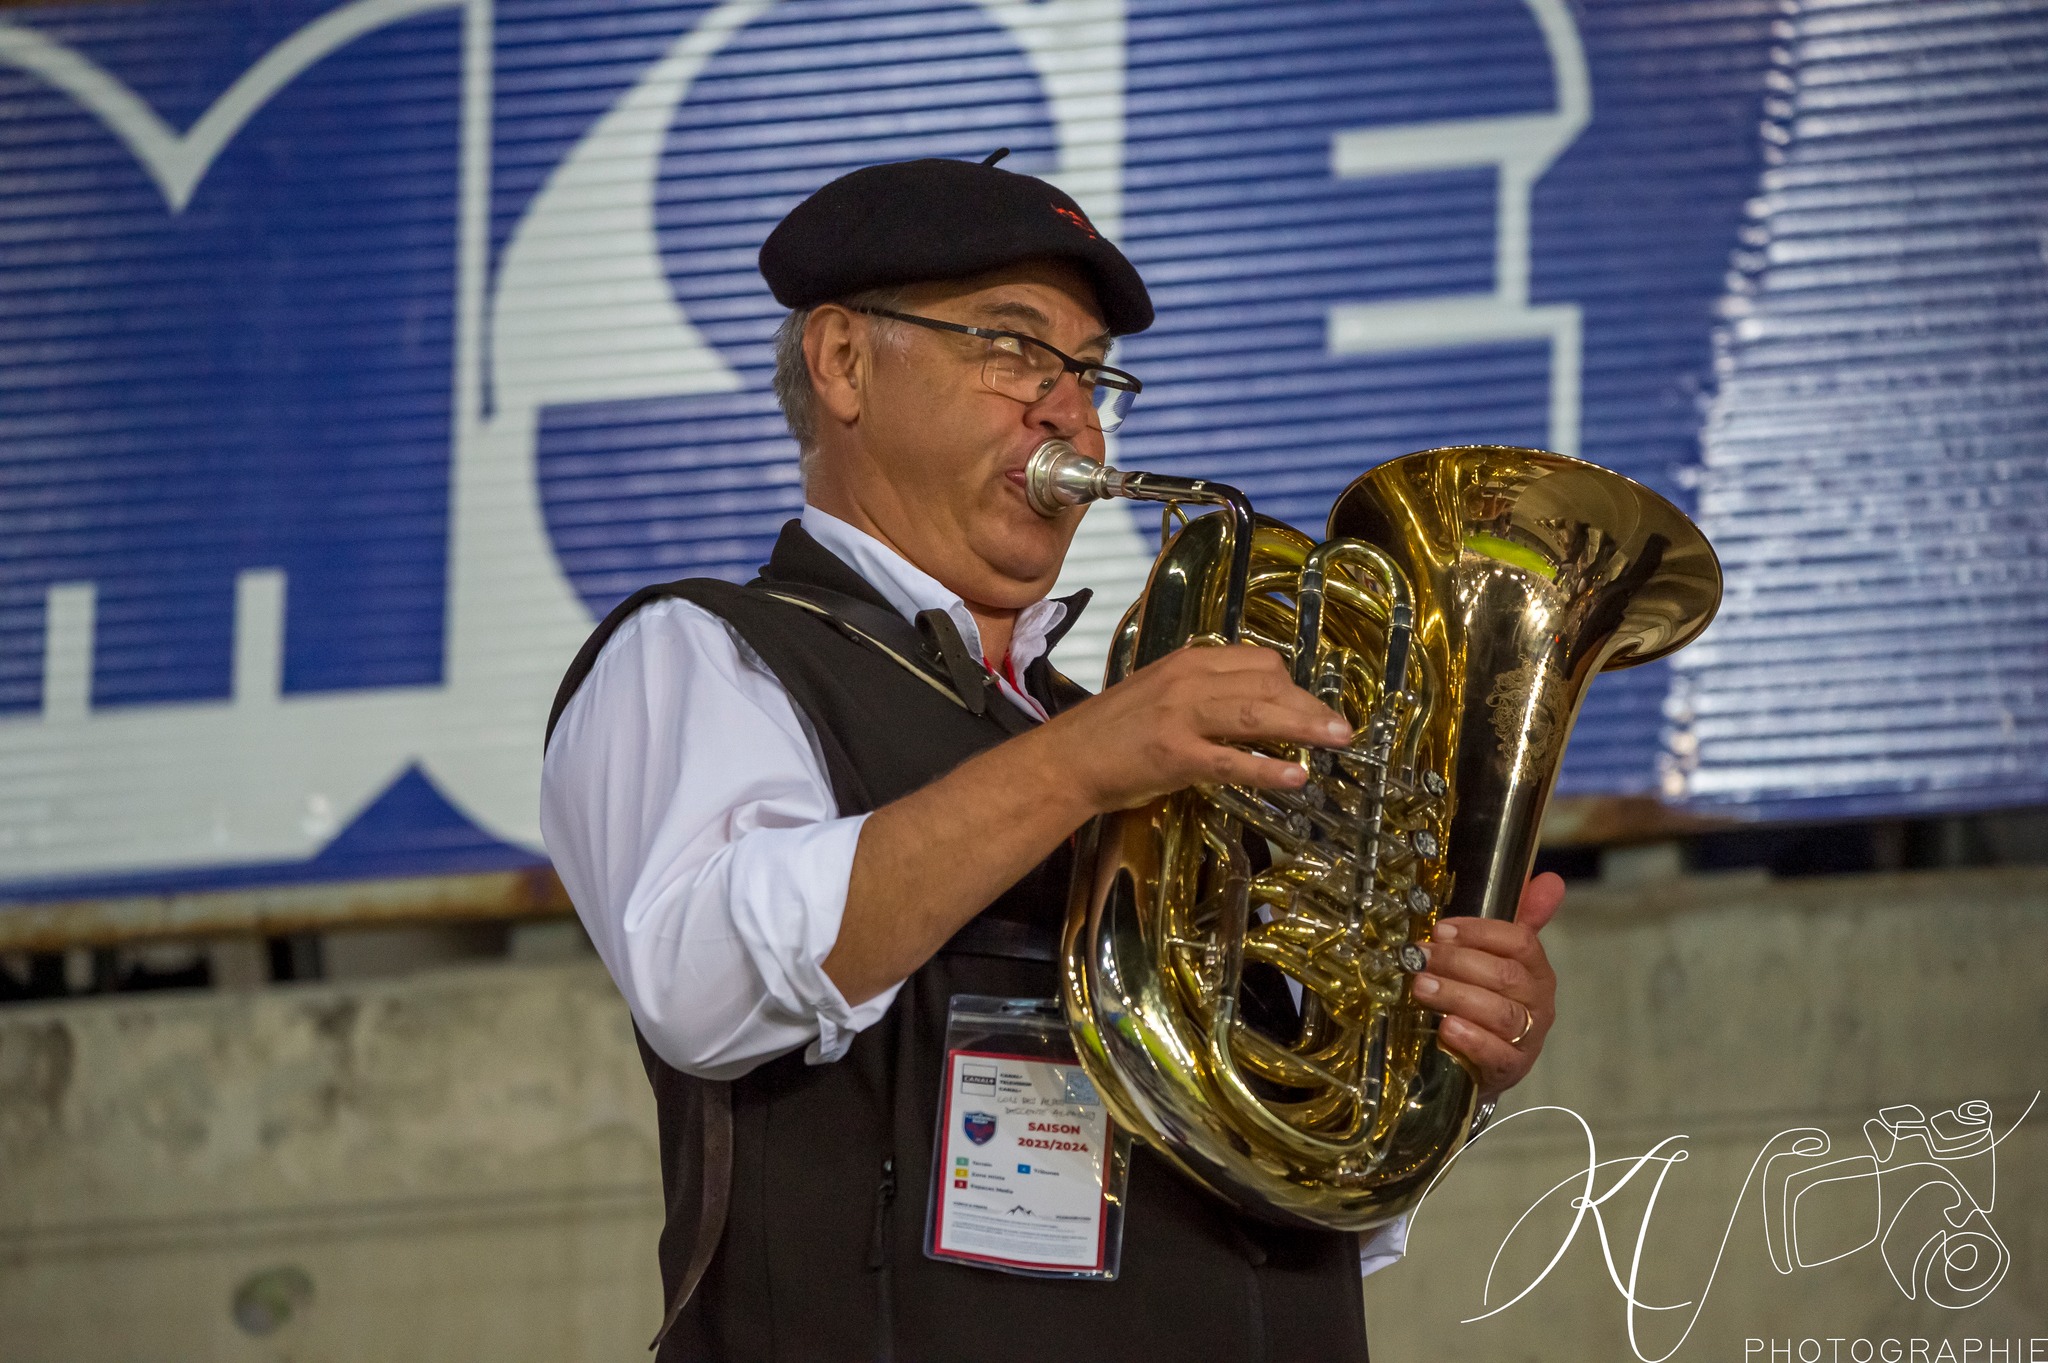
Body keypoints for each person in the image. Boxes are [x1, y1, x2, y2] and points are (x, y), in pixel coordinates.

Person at [540, 151, 1566, 1363]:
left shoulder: (1124, 738)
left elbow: (1302, 1175)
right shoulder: (705, 649)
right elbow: (701, 981)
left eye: (1089, 373)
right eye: (1012, 348)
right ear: (843, 361)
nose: (1067, 411)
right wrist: (1081, 762)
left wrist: (1431, 1052)